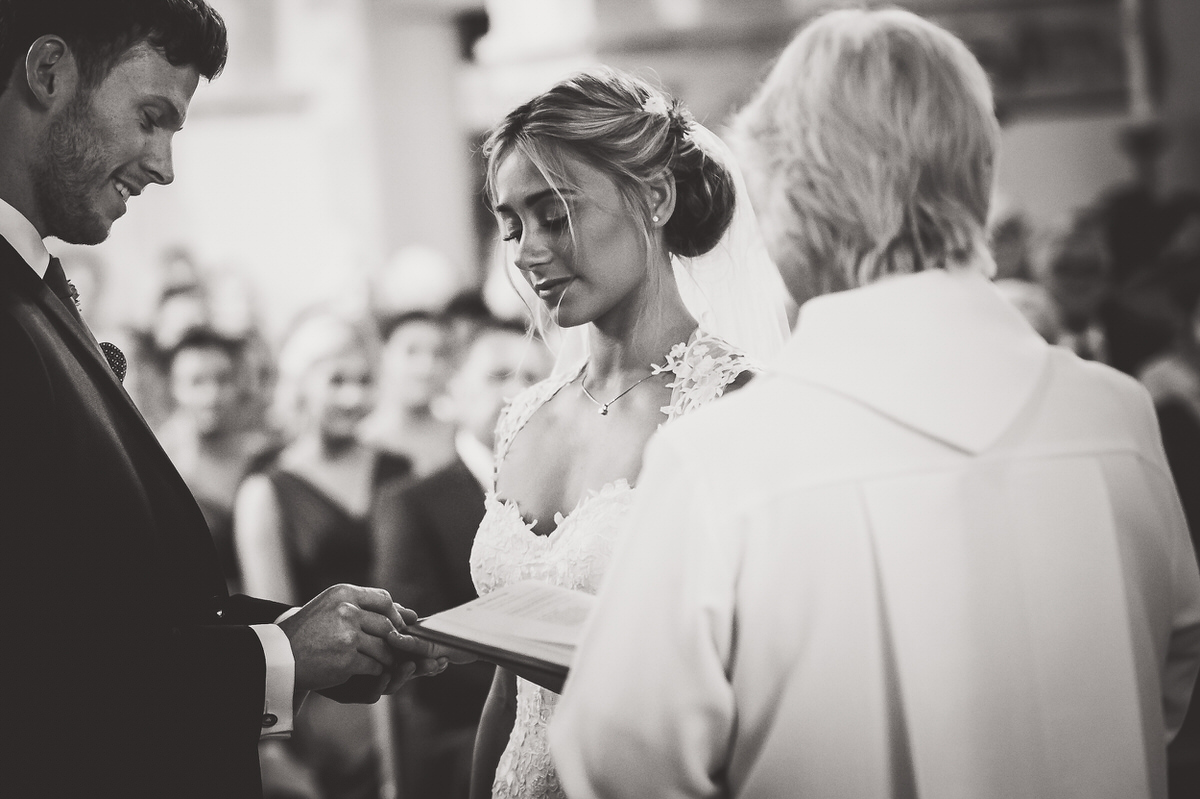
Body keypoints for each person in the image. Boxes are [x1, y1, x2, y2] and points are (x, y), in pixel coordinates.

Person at [549, 9, 1200, 799]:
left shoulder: (724, 458)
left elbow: (616, 756)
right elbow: (1167, 682)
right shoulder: (1118, 418)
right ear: (977, 174)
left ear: (794, 201)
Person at [0, 3, 446, 797]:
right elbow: (32, 662)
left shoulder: (35, 288)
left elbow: (106, 595)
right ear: (47, 73)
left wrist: (306, 633)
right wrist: (279, 659)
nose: (163, 164)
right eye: (150, 117)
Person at [468, 67, 786, 799]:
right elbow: (506, 686)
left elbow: (764, 674)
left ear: (656, 196)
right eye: (511, 225)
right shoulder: (522, 418)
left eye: (555, 216)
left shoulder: (735, 407)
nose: (527, 252)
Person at [235, 312, 413, 799]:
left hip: (411, 685)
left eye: (364, 380)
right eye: (336, 380)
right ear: (300, 384)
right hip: (328, 701)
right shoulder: (267, 490)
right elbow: (276, 622)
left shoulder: (399, 470)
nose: (353, 397)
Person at [374, 317, 552, 799]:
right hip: (459, 733)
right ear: (453, 390)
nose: (519, 391)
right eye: (498, 375)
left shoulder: (565, 496)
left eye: (535, 378)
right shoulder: (410, 502)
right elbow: (415, 634)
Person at [157, 327, 278, 593]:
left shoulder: (264, 459)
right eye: (196, 382)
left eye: (223, 380)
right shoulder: (157, 465)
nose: (211, 396)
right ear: (173, 387)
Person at [359, 310, 458, 478]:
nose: (426, 367)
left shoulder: (460, 437)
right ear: (383, 356)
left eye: (438, 354)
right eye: (411, 351)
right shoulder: (363, 440)